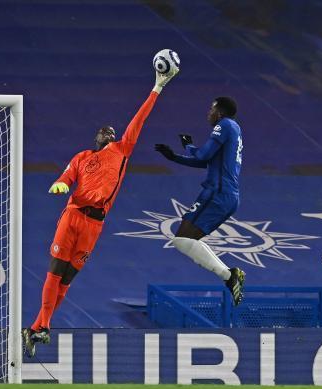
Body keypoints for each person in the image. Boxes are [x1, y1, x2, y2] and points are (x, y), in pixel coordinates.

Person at [22, 68, 178, 358]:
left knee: (67, 280)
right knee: (55, 272)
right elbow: (67, 176)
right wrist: (60, 184)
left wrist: (157, 88)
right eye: (103, 131)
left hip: (94, 225)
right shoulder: (82, 157)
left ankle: (36, 328)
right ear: (96, 137)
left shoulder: (122, 150)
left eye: (111, 132)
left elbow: (139, 119)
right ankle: (42, 326)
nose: (108, 133)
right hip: (73, 215)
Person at [153, 97, 245, 306]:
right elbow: (207, 162)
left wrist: (188, 145)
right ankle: (230, 276)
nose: (208, 113)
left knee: (182, 239)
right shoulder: (235, 129)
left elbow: (203, 155)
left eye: (212, 109)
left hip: (217, 194)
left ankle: (230, 276)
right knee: (187, 240)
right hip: (228, 196)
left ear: (220, 112)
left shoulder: (224, 125)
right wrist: (174, 157)